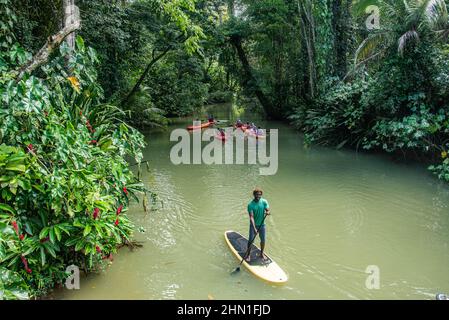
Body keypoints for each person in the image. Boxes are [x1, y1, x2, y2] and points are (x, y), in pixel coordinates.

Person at [246, 188, 270, 262]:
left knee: (263, 240)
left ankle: (261, 254)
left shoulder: (264, 201)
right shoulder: (250, 205)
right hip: (253, 225)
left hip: (262, 225)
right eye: (257, 194)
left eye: (260, 194)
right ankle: (248, 255)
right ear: (254, 195)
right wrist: (254, 228)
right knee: (250, 241)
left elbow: (267, 209)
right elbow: (251, 217)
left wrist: (268, 212)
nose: (258, 196)